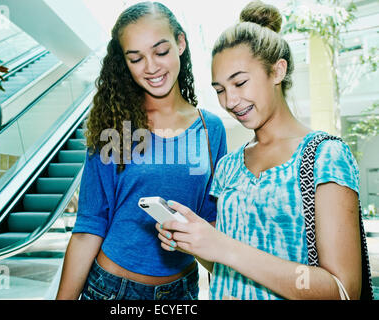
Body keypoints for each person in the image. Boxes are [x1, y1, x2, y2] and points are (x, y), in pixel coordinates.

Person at [156, 0, 365, 300]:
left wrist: (225, 247)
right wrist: (196, 241)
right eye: (219, 90)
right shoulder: (228, 166)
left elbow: (341, 291)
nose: (229, 101)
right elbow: (225, 266)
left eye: (240, 82)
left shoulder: (325, 156)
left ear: (277, 71)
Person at [56, 1, 227, 300]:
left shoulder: (211, 129)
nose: (151, 67)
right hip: (112, 290)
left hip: (182, 292)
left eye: (160, 52)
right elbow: (89, 227)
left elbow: (211, 225)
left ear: (181, 43)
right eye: (136, 59)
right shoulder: (114, 126)